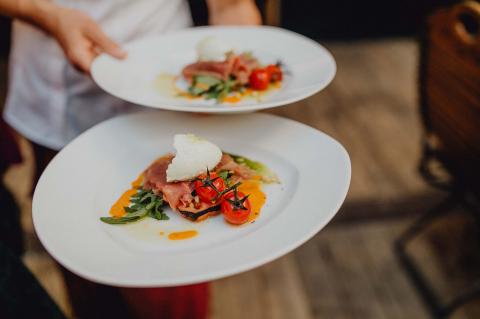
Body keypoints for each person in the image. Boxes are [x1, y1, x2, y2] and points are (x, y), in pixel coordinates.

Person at [0, 0, 261, 318]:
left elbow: (231, 6)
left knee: (169, 293)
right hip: (50, 89)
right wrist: (46, 15)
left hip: (161, 96)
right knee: (83, 274)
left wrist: (232, 69)